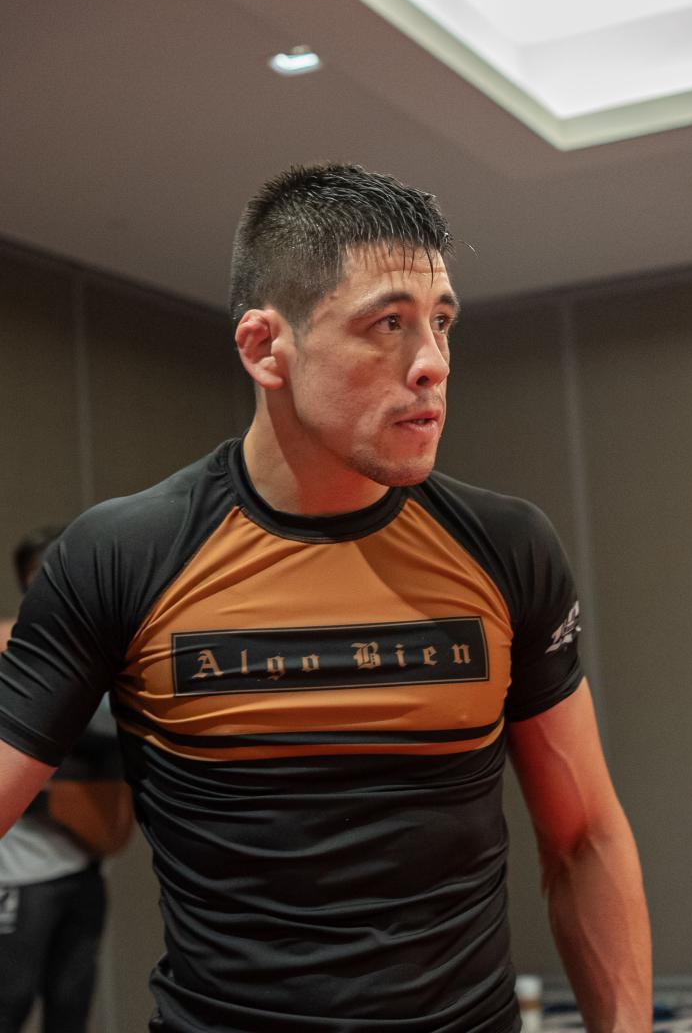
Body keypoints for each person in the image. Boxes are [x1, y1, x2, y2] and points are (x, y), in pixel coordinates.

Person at [0, 164, 651, 1033]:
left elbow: (584, 839)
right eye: (388, 324)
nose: (432, 366)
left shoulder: (505, 547)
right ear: (265, 347)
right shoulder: (123, 556)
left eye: (442, 324)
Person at [0, 526, 132, 1033]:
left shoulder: (105, 653)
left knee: (71, 1006)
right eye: (39, 576)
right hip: (19, 868)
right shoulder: (11, 649)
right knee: (8, 1002)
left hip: (83, 860)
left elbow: (114, 731)